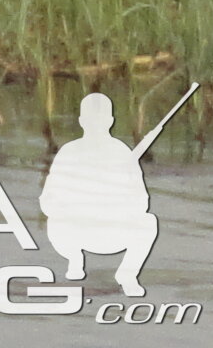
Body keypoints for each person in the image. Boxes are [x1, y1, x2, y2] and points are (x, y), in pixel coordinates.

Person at [39, 93, 159, 296]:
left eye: (100, 120)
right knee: (55, 220)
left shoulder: (123, 153)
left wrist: (113, 203)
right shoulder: (69, 152)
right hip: (72, 232)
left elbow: (141, 202)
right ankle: (75, 260)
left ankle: (127, 274)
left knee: (148, 222)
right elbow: (48, 201)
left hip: (110, 231)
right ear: (82, 122)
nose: (96, 124)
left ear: (110, 121)